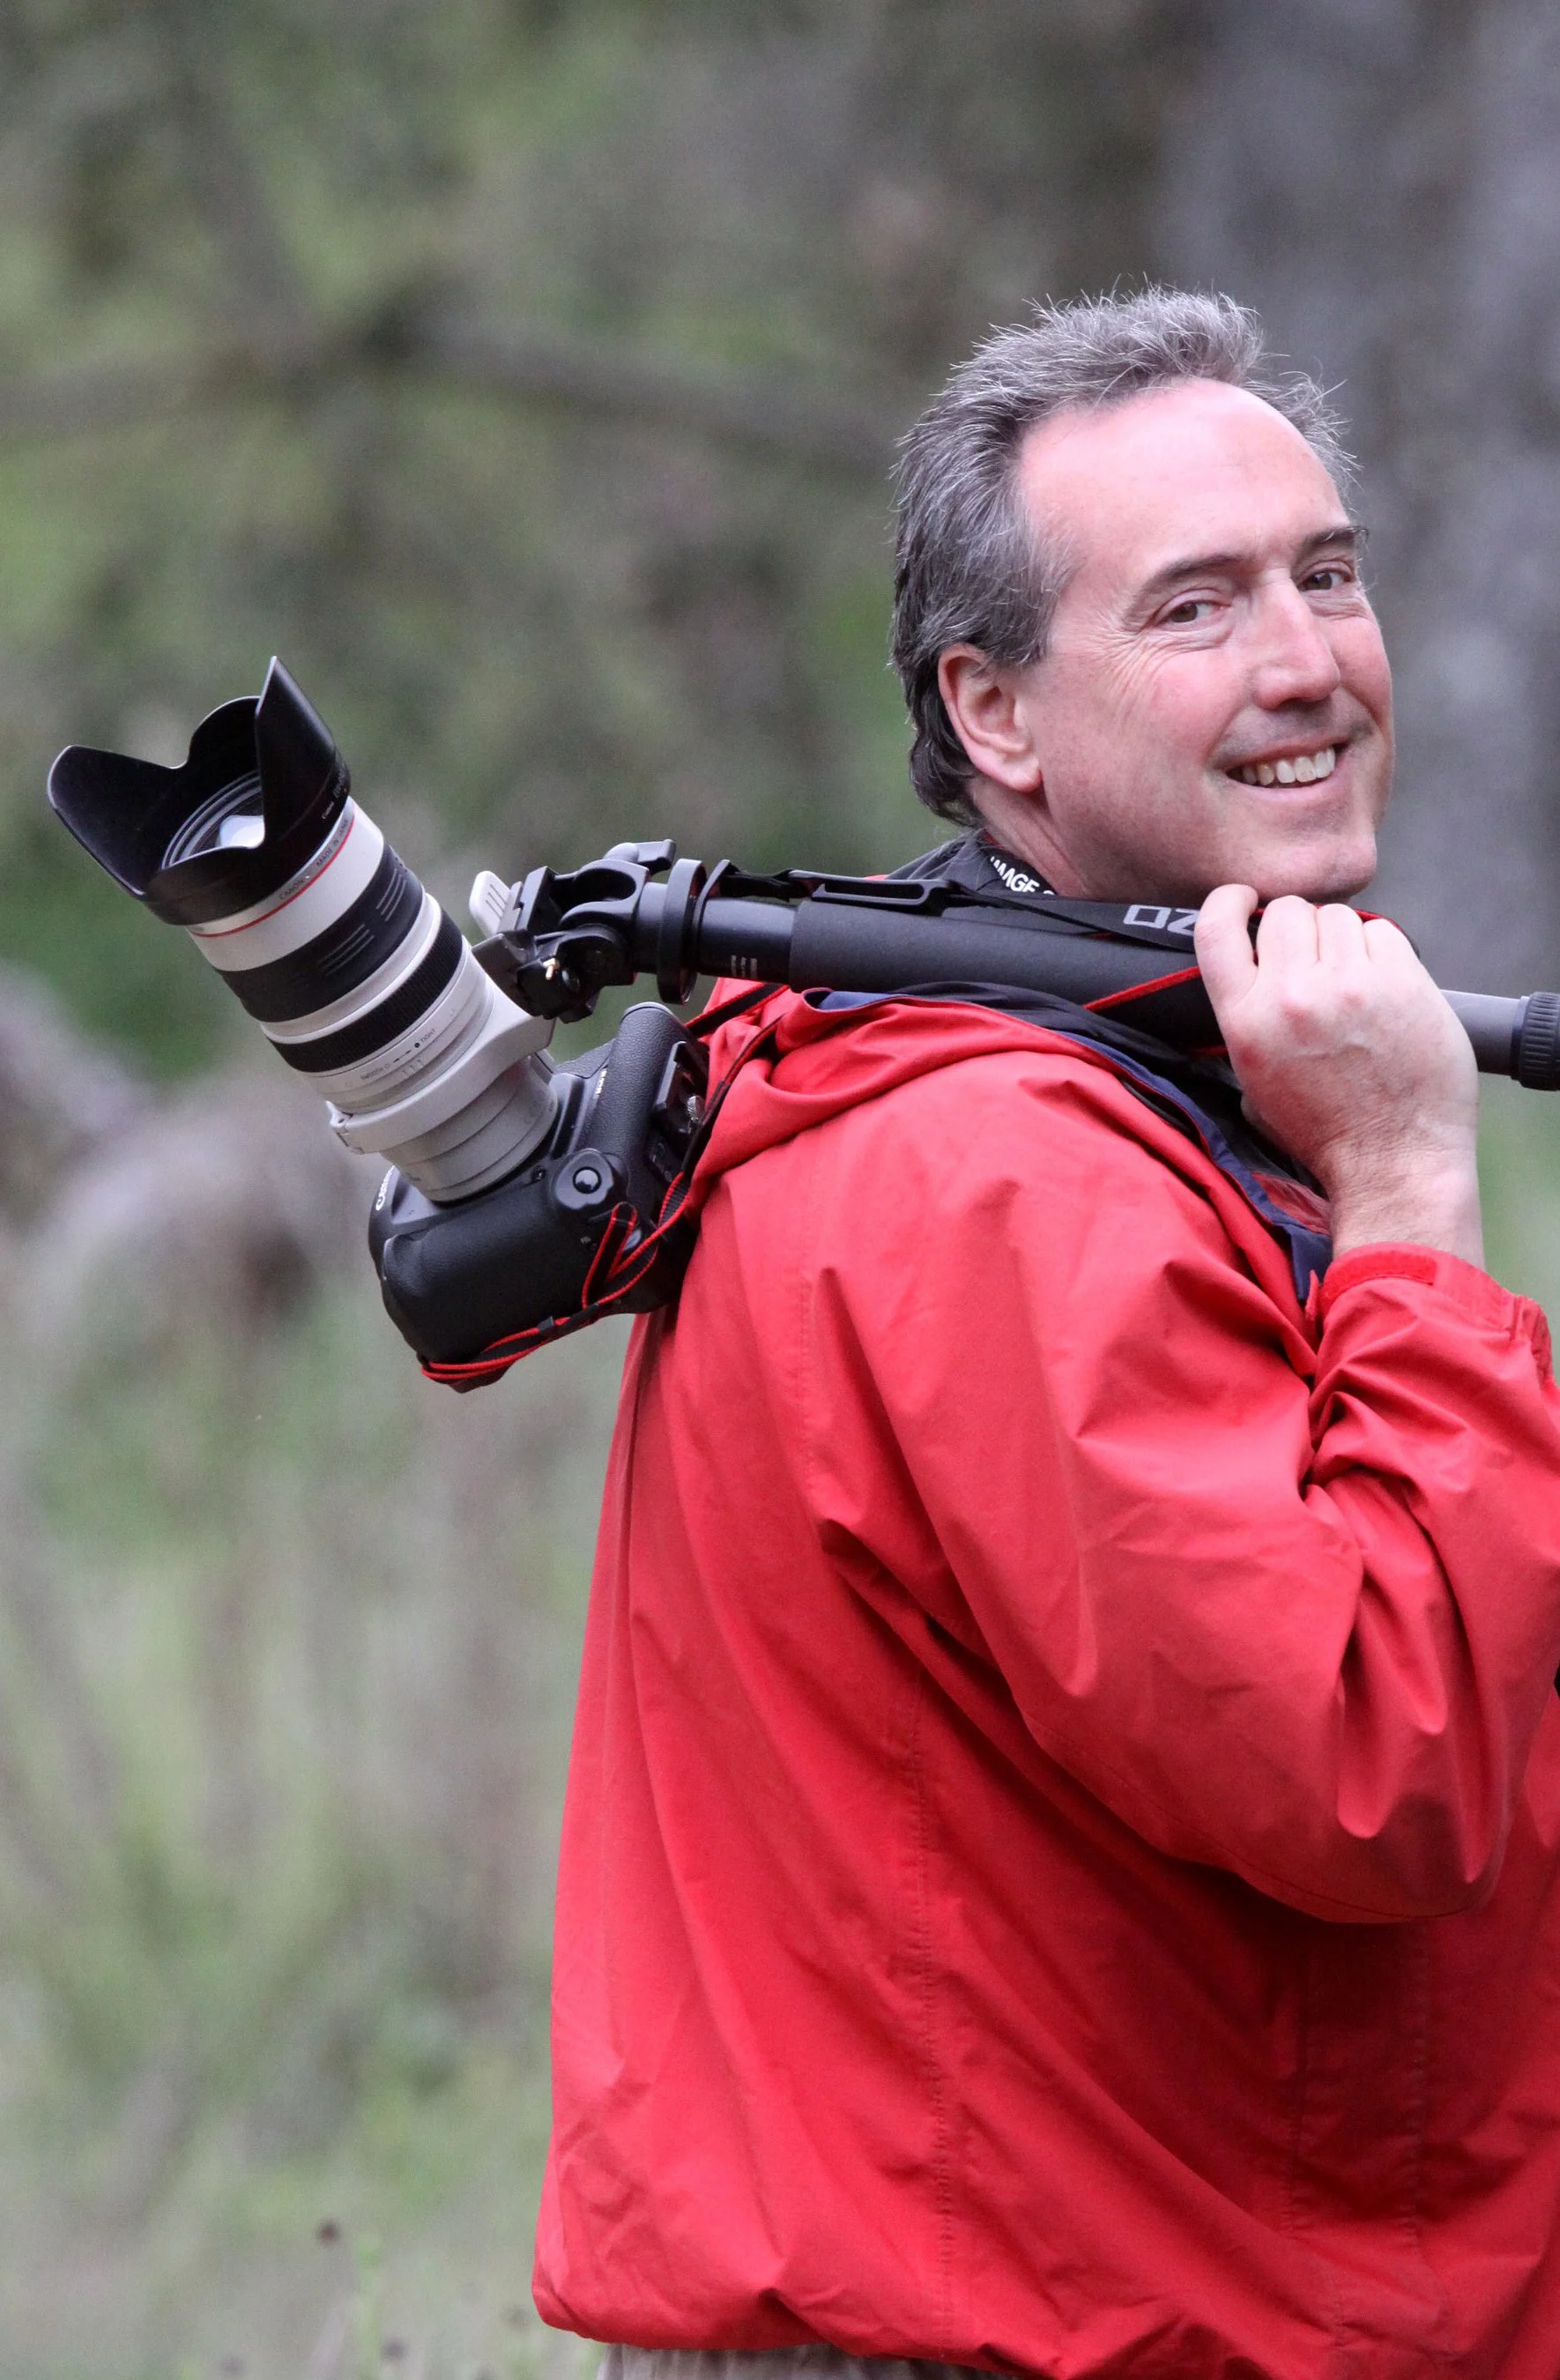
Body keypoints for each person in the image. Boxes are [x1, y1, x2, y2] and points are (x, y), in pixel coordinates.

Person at [532, 291, 1560, 2379]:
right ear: (991, 713)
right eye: (1196, 610)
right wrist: (1408, 1198)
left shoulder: (1001, 1079)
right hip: (1044, 2324)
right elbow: (1383, 1756)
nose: (1310, 667)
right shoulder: (1003, 1169)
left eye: (1328, 577)